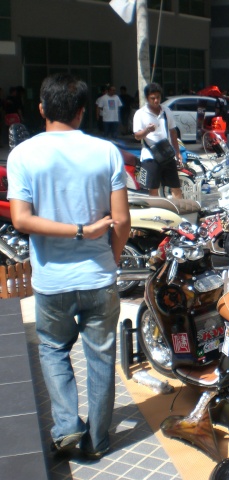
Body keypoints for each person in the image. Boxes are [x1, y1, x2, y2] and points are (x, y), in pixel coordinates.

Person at [7, 73, 131, 459]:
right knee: (101, 357)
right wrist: (108, 253)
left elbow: (21, 220)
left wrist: (77, 231)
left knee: (54, 350)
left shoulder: (22, 154)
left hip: (52, 281)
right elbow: (122, 221)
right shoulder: (106, 151)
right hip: (97, 277)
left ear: (42, 108)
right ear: (82, 111)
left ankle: (65, 428)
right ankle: (97, 439)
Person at [133, 82, 183, 198]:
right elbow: (137, 136)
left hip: (167, 154)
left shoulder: (166, 111)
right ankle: (156, 214)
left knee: (176, 187)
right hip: (150, 156)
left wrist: (177, 152)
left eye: (158, 97)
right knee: (153, 189)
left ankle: (180, 213)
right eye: (152, 98)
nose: (156, 101)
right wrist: (147, 130)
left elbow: (173, 131)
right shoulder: (140, 114)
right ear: (147, 98)